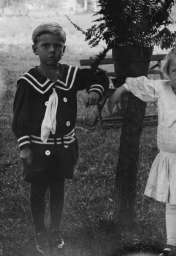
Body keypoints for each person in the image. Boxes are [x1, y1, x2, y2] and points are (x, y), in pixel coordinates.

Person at [109, 45, 176, 256]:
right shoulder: (162, 89)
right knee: (172, 202)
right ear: (167, 72)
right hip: (168, 158)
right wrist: (120, 91)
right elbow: (141, 84)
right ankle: (171, 244)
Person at [12, 23, 109, 255]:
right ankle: (39, 231)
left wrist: (95, 90)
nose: (52, 50)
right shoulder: (29, 82)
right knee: (38, 190)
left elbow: (99, 76)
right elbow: (20, 118)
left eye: (58, 46)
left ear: (64, 50)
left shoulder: (71, 76)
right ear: (35, 49)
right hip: (37, 147)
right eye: (46, 46)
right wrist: (25, 146)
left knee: (57, 189)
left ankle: (55, 229)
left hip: (63, 147)